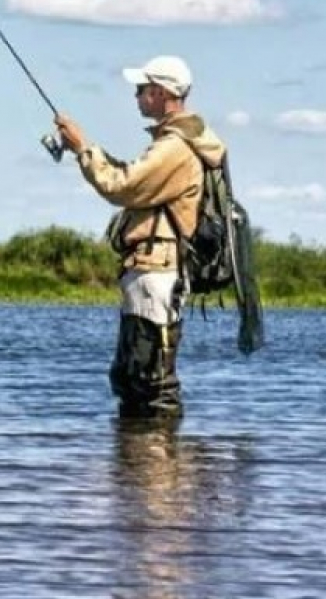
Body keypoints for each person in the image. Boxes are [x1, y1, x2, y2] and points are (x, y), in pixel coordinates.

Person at [55, 55, 226, 418]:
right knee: (134, 377)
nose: (136, 96)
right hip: (154, 272)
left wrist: (83, 149)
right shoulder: (176, 143)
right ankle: (140, 452)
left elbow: (122, 186)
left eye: (141, 89)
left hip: (156, 273)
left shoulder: (174, 147)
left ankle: (158, 451)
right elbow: (135, 178)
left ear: (161, 92)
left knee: (150, 381)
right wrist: (86, 151)